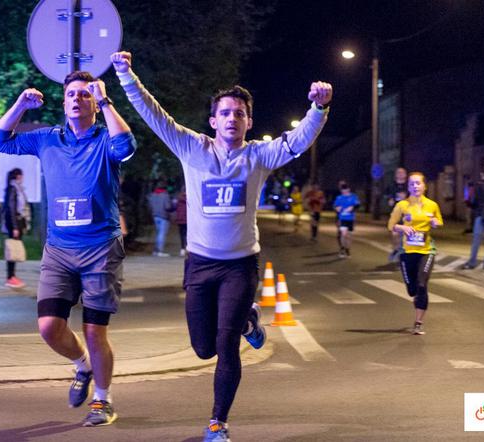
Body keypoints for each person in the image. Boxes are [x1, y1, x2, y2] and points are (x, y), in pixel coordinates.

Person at [111, 51, 332, 441]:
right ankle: (250, 319)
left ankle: (218, 422)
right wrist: (126, 74)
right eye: (225, 113)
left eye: (240, 113)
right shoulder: (192, 148)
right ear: (213, 121)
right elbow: (154, 114)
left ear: (249, 121)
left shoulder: (259, 156)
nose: (232, 118)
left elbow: (297, 142)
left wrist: (318, 107)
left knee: (226, 344)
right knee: (202, 349)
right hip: (199, 264)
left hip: (239, 266)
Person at [0, 71, 137, 427]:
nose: (76, 99)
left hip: (100, 248)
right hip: (59, 249)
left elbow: (127, 148)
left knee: (93, 330)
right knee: (49, 327)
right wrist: (21, 104)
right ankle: (82, 365)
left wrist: (105, 99)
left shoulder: (104, 139)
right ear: (63, 101)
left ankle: (103, 401)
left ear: (95, 105)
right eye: (72, 94)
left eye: (85, 95)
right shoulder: (46, 139)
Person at [387, 172, 443, 335]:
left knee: (421, 284)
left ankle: (418, 322)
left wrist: (435, 222)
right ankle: (416, 299)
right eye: (412, 184)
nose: (415, 186)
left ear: (424, 186)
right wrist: (402, 227)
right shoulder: (402, 205)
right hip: (407, 252)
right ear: (408, 186)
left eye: (418, 183)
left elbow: (439, 221)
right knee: (412, 290)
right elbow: (391, 225)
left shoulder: (432, 205)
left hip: (426, 250)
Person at [2, 167, 30, 288]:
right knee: (12, 249)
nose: (23, 178)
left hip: (17, 222)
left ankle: (12, 276)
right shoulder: (13, 189)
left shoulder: (16, 189)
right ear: (18, 176)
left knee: (14, 248)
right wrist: (14, 227)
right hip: (14, 222)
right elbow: (11, 208)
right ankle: (10, 277)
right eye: (22, 176)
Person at [385, 167, 408, 261]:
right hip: (395, 213)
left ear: (406, 175)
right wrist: (389, 200)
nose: (400, 174)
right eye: (398, 172)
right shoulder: (391, 186)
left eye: (402, 172)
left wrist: (406, 198)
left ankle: (404, 254)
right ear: (396, 174)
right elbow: (386, 196)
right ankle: (395, 249)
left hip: (407, 214)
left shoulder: (409, 186)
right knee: (395, 234)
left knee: (406, 236)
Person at [333, 182, 360, 258]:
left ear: (348, 190)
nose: (344, 192)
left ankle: (348, 249)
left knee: (349, 235)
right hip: (342, 218)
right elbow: (335, 206)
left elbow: (357, 205)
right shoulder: (339, 197)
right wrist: (337, 209)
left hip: (351, 218)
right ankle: (342, 249)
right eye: (342, 191)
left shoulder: (353, 197)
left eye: (345, 191)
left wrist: (352, 208)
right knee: (343, 234)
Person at [148, 180, 173, 257]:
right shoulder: (165, 195)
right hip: (164, 216)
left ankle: (156, 250)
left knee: (158, 233)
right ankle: (160, 250)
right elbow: (168, 206)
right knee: (162, 234)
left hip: (155, 216)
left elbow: (150, 206)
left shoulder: (152, 195)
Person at [174, 185, 188, 256]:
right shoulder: (191, 198)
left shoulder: (178, 199)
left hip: (180, 219)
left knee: (182, 235)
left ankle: (182, 249)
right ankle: (188, 248)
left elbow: (174, 208)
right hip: (188, 220)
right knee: (189, 235)